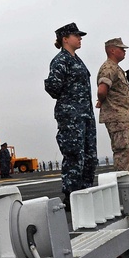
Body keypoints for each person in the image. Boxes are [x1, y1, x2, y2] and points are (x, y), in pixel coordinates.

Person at [44, 22, 97, 205]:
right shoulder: (61, 61)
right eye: (76, 35)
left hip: (85, 115)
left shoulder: (77, 61)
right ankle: (72, 195)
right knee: (74, 154)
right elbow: (53, 88)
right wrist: (70, 103)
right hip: (71, 116)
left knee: (90, 156)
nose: (80, 38)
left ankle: (85, 191)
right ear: (65, 39)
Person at [96, 38, 129, 173]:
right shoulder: (108, 68)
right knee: (123, 151)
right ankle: (122, 186)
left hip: (123, 117)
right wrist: (101, 100)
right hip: (117, 117)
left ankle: (126, 181)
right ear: (112, 50)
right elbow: (102, 90)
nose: (124, 51)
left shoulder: (116, 68)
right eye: (121, 49)